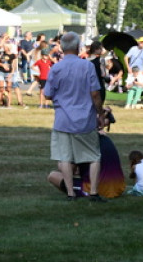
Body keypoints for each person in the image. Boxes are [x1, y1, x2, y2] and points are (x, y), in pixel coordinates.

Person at [44, 31, 108, 202]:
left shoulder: (56, 68)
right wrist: (100, 114)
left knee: (64, 156)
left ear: (62, 48)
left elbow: (48, 94)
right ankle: (93, 192)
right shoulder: (87, 66)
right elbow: (95, 94)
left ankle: (71, 193)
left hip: (63, 118)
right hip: (85, 118)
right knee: (93, 156)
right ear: (79, 47)